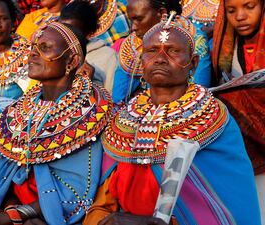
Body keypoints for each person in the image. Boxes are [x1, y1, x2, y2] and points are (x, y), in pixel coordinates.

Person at [83, 14, 261, 225]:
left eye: (173, 51)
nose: (160, 58)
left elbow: (228, 206)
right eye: (151, 51)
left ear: (193, 63)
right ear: (141, 62)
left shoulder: (213, 119)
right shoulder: (124, 121)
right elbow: (103, 204)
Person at [0, 22, 112, 225]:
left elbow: (75, 194)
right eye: (32, 48)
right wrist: (12, 210)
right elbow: (6, 181)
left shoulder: (92, 111)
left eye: (45, 48)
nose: (31, 55)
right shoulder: (17, 111)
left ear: (72, 61)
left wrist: (9, 217)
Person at [212, 0, 265, 222]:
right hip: (243, 155)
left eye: (249, 7)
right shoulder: (226, 45)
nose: (240, 16)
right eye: (231, 11)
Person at [111, 0, 211, 104]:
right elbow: (118, 100)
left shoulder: (193, 39)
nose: (133, 28)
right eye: (131, 20)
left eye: (139, 19)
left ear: (162, 13)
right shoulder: (133, 45)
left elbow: (199, 92)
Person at [59, 0, 117, 94]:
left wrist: (88, 85)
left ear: (89, 33)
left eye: (73, 32)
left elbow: (111, 101)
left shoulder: (108, 57)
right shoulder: (54, 54)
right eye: (63, 30)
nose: (67, 36)